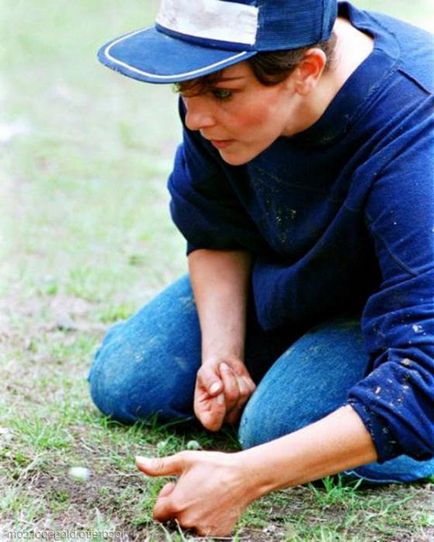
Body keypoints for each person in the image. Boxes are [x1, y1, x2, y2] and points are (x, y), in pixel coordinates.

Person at [89, 0, 434, 536]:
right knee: (129, 381)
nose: (197, 118)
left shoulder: (416, 131)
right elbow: (215, 229)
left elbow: (424, 373)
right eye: (185, 89)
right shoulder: (214, 86)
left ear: (308, 70)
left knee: (278, 425)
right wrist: (222, 358)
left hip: (411, 310)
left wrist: (243, 478)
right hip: (312, 278)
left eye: (223, 92)